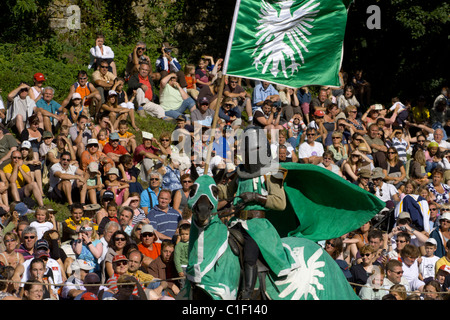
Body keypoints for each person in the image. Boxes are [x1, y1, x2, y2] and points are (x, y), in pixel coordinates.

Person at [174, 222, 190, 288]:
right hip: (183, 268)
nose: (184, 236)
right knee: (183, 285)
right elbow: (176, 259)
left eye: (187, 234)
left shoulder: (193, 244)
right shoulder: (179, 245)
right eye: (182, 234)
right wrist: (179, 270)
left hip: (191, 267)